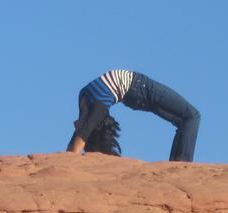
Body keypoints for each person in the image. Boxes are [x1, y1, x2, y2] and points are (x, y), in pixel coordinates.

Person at [67, 69, 200, 162]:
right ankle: (182, 165)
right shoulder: (97, 107)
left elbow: (81, 134)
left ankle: (178, 164)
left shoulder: (84, 97)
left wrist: (67, 158)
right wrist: (71, 161)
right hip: (139, 88)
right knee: (192, 116)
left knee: (184, 120)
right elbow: (83, 133)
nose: (75, 124)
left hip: (134, 92)